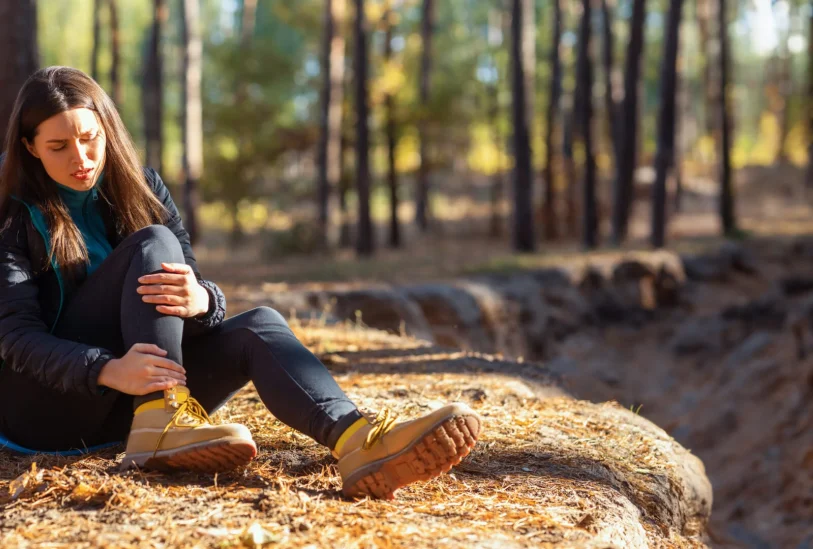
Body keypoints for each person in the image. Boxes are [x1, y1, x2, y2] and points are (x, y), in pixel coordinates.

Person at [0, 66, 481, 500]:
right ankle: (159, 418)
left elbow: (205, 310)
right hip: (49, 411)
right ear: (29, 146)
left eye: (90, 138)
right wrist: (107, 369)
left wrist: (201, 299)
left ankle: (357, 441)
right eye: (58, 147)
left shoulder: (143, 189)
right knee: (152, 243)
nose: (81, 158)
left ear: (107, 129)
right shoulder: (13, 216)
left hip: (130, 400)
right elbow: (15, 337)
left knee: (259, 325)